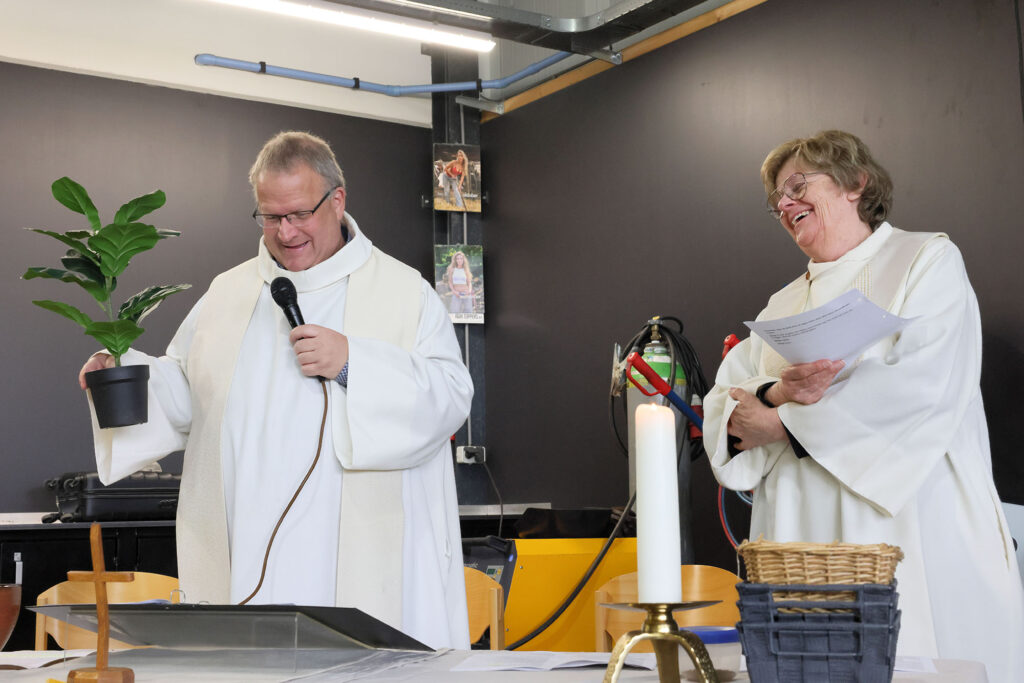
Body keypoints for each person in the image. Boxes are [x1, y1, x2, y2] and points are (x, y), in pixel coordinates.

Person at [77, 131, 474, 650]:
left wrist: (355, 362)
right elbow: (187, 392)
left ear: (338, 200)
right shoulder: (229, 293)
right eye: (270, 217)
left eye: (299, 214)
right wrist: (121, 371)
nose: (285, 233)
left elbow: (449, 397)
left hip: (361, 561)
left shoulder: (404, 292)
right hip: (249, 552)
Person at [702, 130, 1024, 680]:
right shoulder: (782, 303)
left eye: (798, 185)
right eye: (776, 198)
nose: (784, 204)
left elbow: (924, 383)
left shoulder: (926, 259)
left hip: (904, 516)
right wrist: (774, 395)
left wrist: (783, 425)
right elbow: (724, 399)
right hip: (799, 534)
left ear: (855, 183)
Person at [444, 251, 474, 315]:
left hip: (466, 293)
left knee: (469, 312)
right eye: (457, 258)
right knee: (454, 312)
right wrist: (454, 291)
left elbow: (469, 283)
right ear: (455, 260)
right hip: (456, 293)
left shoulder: (466, 269)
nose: (459, 260)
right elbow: (450, 282)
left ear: (463, 259)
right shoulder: (451, 269)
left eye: (461, 258)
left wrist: (469, 291)